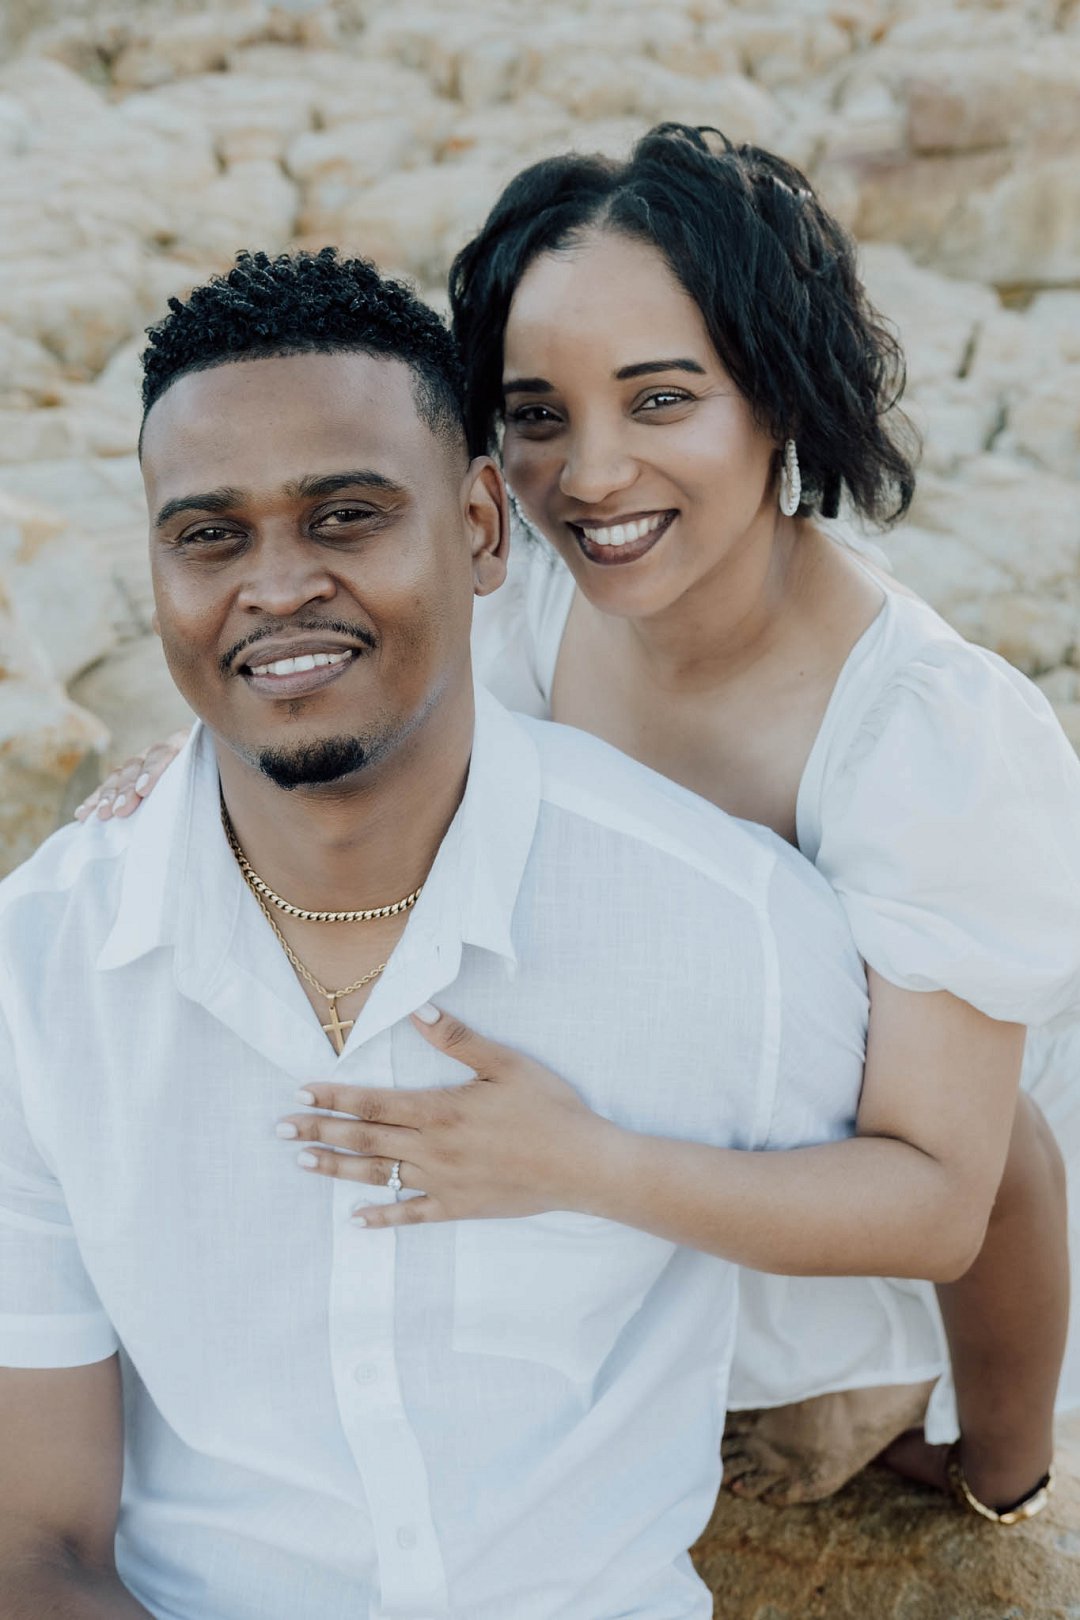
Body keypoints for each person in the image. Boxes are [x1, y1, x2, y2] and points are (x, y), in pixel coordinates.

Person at [91, 127, 1080, 1522]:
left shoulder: (927, 740)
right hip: (585, 1161)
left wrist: (1000, 1499)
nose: (592, 476)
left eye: (661, 399)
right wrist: (204, 758)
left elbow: (959, 1195)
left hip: (820, 1233)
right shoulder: (528, 601)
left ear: (778, 396)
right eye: (537, 414)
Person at [0, 249, 877, 1620]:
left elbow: (970, 1179)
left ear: (480, 527)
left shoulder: (726, 925)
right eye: (209, 536)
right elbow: (37, 1547)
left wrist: (994, 1469)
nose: (274, 586)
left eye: (345, 516)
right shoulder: (41, 972)